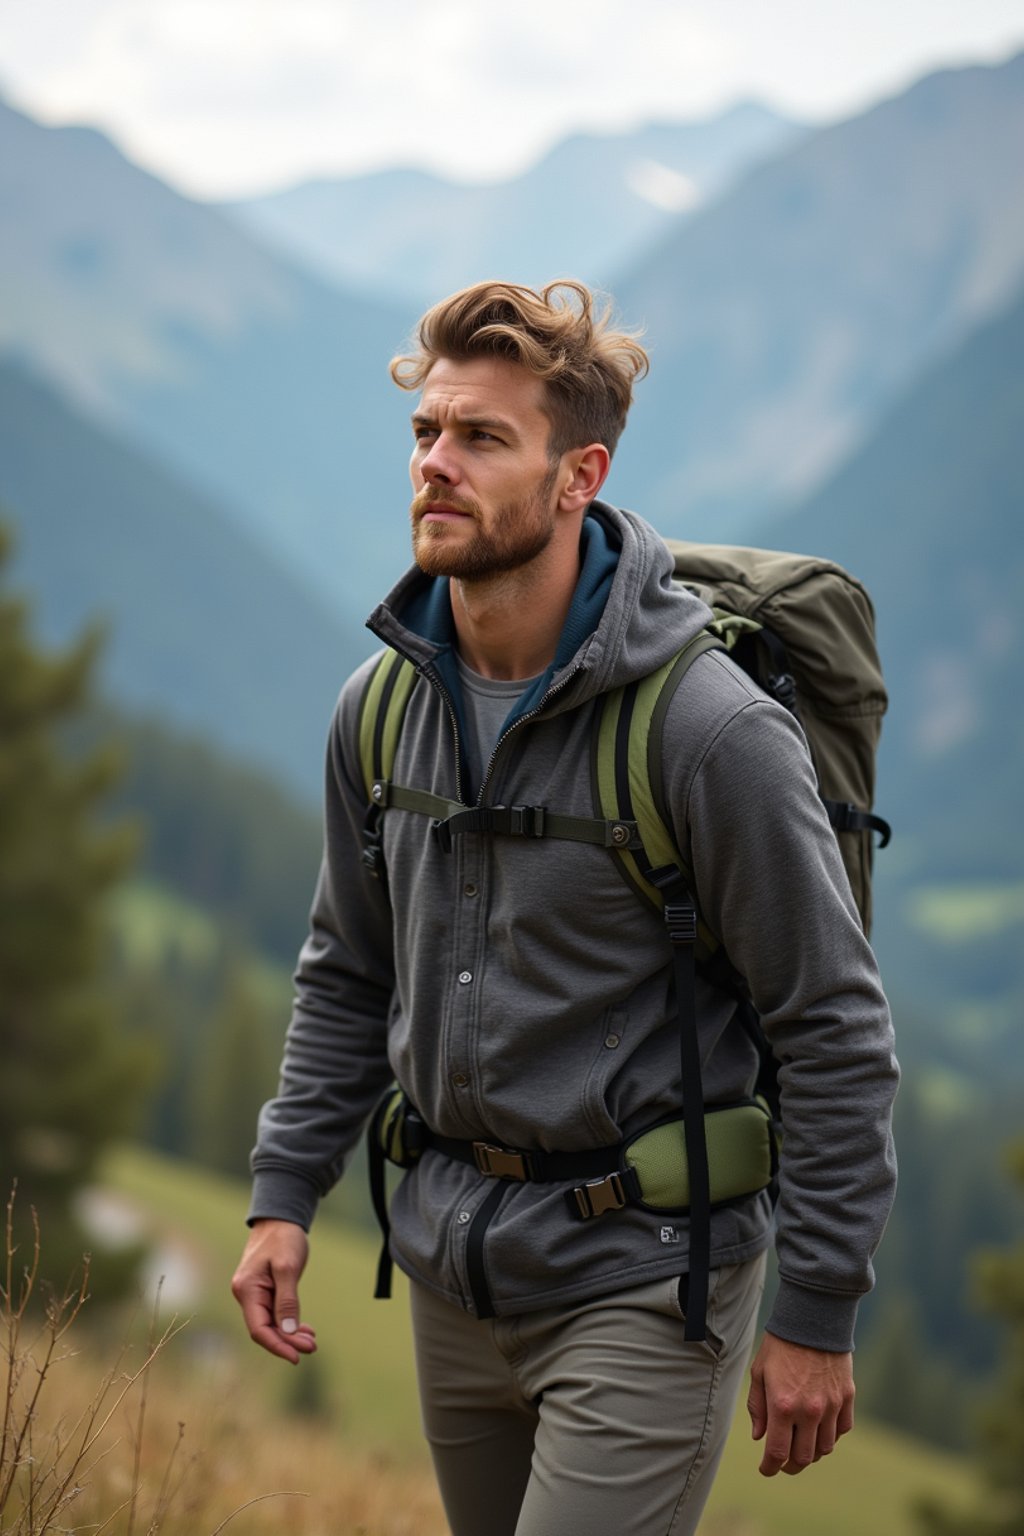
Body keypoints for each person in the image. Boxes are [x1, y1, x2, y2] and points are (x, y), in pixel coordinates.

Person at [232, 279, 899, 1536]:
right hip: (451, 1272)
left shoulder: (709, 733)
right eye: (427, 433)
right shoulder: (377, 712)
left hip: (653, 1281)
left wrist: (815, 1311)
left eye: (482, 438)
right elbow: (345, 973)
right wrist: (283, 1195)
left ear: (577, 473)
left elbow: (835, 1029)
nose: (437, 464)